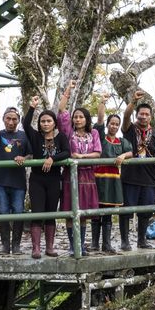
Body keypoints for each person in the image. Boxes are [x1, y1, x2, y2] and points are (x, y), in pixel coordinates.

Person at [121, 91, 155, 250]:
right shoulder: (129, 128)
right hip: (129, 177)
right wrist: (133, 101)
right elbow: (126, 115)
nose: (143, 116)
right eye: (141, 114)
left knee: (146, 210)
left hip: (149, 178)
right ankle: (125, 241)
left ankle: (141, 240)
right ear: (137, 115)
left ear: (150, 117)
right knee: (126, 211)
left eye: (146, 114)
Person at [23, 96, 70, 258]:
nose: (45, 123)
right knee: (37, 212)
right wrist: (31, 108)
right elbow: (24, 124)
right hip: (37, 180)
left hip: (54, 180)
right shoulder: (35, 136)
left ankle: (49, 247)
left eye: (49, 121)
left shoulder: (61, 137)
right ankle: (35, 248)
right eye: (42, 121)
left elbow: (66, 152)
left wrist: (52, 158)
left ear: (54, 123)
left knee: (50, 212)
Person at [57, 81, 101, 253]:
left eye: (81, 116)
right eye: (75, 117)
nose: (78, 119)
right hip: (70, 176)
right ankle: (72, 245)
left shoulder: (94, 133)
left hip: (88, 176)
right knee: (70, 212)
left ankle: (81, 245)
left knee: (83, 214)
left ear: (87, 119)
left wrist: (82, 157)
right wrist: (68, 90)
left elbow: (97, 153)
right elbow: (61, 110)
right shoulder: (69, 133)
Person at [93, 99, 133, 254]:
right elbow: (100, 120)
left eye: (117, 124)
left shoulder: (122, 141)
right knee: (96, 212)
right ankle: (95, 244)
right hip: (98, 179)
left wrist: (123, 155)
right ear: (108, 124)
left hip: (113, 181)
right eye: (112, 123)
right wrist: (102, 103)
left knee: (108, 214)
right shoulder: (100, 138)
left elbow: (131, 152)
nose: (114, 126)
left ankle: (106, 244)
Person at [0, 106, 30, 255]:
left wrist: (24, 158)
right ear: (3, 120)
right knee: (3, 213)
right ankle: (5, 245)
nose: (11, 121)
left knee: (19, 212)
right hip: (1, 181)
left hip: (18, 182)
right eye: (8, 118)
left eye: (14, 119)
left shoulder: (24, 136)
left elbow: (31, 154)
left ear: (18, 120)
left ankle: (16, 246)